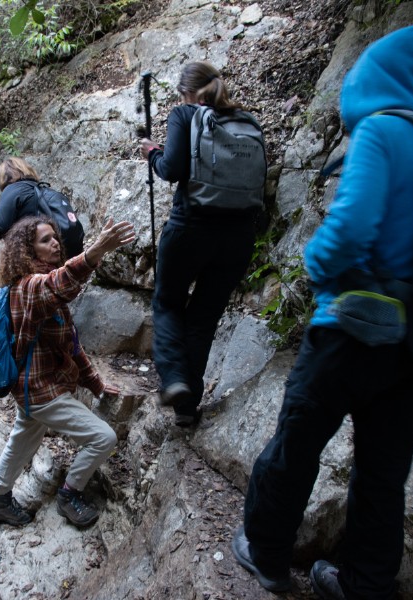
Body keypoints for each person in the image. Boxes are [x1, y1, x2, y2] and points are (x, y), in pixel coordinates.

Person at [231, 26, 413, 599]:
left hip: (353, 329)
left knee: (296, 443)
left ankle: (267, 553)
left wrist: (315, 261)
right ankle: (363, 583)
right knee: (382, 474)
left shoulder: (382, 131)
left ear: (367, 82)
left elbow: (352, 228)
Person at [0, 215, 136, 528]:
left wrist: (95, 384)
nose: (54, 243)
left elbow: (71, 344)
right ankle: (69, 494)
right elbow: (59, 283)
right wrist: (97, 250)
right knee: (102, 438)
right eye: (44, 240)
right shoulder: (28, 288)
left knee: (21, 441)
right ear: (27, 250)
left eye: (54, 237)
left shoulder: (41, 289)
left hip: (31, 390)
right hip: (41, 392)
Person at [139, 61, 259, 426]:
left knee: (168, 303)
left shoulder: (186, 114)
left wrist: (152, 153)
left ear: (186, 93)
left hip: (191, 228)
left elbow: (171, 169)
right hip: (239, 237)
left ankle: (175, 379)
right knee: (203, 318)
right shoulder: (248, 123)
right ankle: (187, 409)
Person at [0, 157, 83, 257]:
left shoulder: (13, 190)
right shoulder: (44, 189)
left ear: (3, 177)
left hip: (43, 255)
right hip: (69, 252)